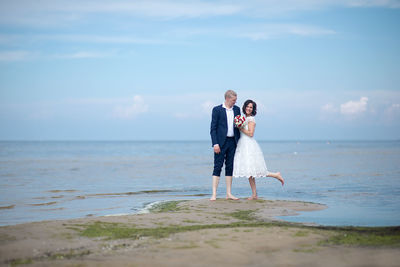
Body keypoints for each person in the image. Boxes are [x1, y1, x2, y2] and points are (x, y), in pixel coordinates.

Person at [233, 99, 284, 200]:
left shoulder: (251, 119)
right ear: (245, 107)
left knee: (255, 170)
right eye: (247, 106)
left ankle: (275, 175)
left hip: (249, 145)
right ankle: (254, 195)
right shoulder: (244, 118)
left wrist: (240, 128)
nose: (249, 108)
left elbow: (251, 134)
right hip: (243, 144)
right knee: (250, 172)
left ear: (253, 109)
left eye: (251, 107)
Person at [210, 90, 241, 201]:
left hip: (233, 142)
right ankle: (214, 194)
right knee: (217, 167)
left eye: (235, 100)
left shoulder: (237, 110)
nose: (235, 102)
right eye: (233, 100)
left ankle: (229, 193)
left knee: (230, 167)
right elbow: (213, 129)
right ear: (227, 99)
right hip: (220, 143)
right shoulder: (217, 110)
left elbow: (239, 126)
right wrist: (215, 144)